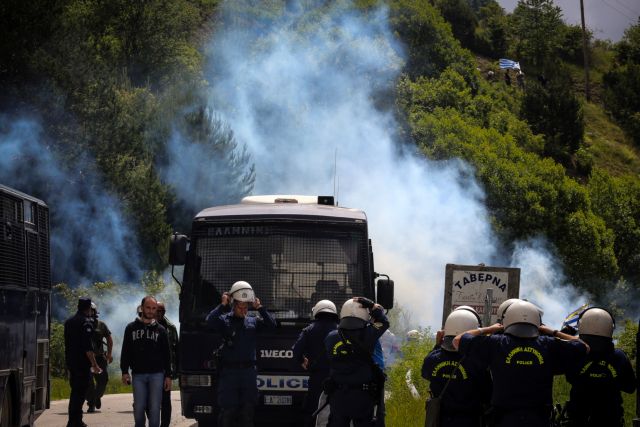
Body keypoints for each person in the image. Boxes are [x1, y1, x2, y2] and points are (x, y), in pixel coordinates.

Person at [453, 300, 588, 427]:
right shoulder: (549, 345)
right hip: (539, 419)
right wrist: (553, 331)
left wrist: (488, 329)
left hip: (504, 420)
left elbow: (457, 340)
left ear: (507, 321)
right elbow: (584, 347)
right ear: (537, 323)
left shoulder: (496, 343)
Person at [206, 281, 277, 427]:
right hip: (229, 373)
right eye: (240, 307)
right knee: (227, 413)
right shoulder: (225, 320)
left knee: (248, 413)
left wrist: (261, 309)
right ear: (233, 304)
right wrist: (222, 305)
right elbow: (210, 321)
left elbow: (272, 326)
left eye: (246, 307)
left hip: (248, 373)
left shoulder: (253, 321)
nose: (244, 311)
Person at [564, 307, 636, 427]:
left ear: (581, 326)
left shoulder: (575, 353)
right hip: (611, 418)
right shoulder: (619, 356)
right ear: (610, 328)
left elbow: (570, 378)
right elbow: (630, 387)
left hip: (579, 417)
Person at [324, 297, 389, 426]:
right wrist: (371, 305)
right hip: (363, 397)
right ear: (364, 315)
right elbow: (384, 322)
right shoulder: (368, 334)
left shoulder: (330, 337)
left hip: (338, 396)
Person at [422, 306, 491, 427]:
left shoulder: (433, 359)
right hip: (469, 421)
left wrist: (437, 345)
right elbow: (488, 393)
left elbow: (425, 373)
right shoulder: (477, 363)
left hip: (439, 421)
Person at [121, 295, 172, 427]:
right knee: (138, 408)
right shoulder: (131, 328)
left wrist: (168, 376)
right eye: (148, 307)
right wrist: (124, 371)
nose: (151, 311)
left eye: (154, 308)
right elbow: (125, 350)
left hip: (157, 374)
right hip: (138, 374)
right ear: (142, 308)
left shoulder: (161, 330)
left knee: (155, 408)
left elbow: (167, 355)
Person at [292, 299, 339, 427]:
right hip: (338, 378)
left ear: (317, 312)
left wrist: (302, 360)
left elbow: (296, 351)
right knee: (337, 411)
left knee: (313, 409)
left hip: (317, 378)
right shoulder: (341, 331)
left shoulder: (309, 330)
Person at [64, 297, 102, 427]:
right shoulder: (86, 323)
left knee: (75, 392)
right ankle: (75, 422)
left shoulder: (69, 322)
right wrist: (95, 364)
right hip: (82, 364)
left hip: (71, 362)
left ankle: (74, 420)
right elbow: (87, 347)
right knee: (79, 394)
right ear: (88, 309)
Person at [85, 302, 113, 413]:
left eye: (91, 310)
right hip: (86, 359)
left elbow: (109, 339)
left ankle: (96, 397)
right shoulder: (82, 324)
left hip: (100, 358)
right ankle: (91, 403)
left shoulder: (101, 325)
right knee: (88, 383)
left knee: (103, 380)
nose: (89, 313)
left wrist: (109, 354)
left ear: (95, 312)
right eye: (87, 310)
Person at [155, 301, 179, 427]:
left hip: (165, 369)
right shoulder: (144, 325)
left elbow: (176, 349)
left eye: (162, 311)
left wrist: (176, 369)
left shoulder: (171, 328)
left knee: (165, 400)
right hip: (149, 368)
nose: (159, 313)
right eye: (157, 310)